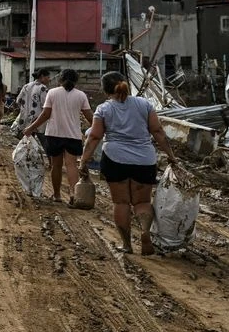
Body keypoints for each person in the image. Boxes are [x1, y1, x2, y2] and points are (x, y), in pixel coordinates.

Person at [80, 72, 178, 255]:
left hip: (115, 160)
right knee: (142, 201)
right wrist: (171, 155)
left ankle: (126, 245)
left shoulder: (103, 109)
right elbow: (157, 131)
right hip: (145, 160)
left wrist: (84, 161)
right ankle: (145, 232)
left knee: (121, 202)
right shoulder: (145, 104)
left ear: (105, 89)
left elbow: (94, 137)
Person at [23, 68, 92, 202]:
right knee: (71, 165)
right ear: (76, 81)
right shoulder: (81, 95)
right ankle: (74, 195)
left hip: (54, 134)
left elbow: (45, 114)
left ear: (60, 79)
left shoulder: (52, 93)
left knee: (56, 166)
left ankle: (57, 195)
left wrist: (31, 127)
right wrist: (97, 130)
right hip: (73, 135)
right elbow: (90, 116)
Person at [14, 69, 52, 147]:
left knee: (26, 144)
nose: (49, 79)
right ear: (42, 77)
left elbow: (18, 101)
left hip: (25, 119)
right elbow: (45, 105)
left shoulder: (26, 86)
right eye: (48, 77)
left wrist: (24, 110)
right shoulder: (43, 88)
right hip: (38, 120)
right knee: (45, 143)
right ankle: (50, 159)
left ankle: (27, 159)